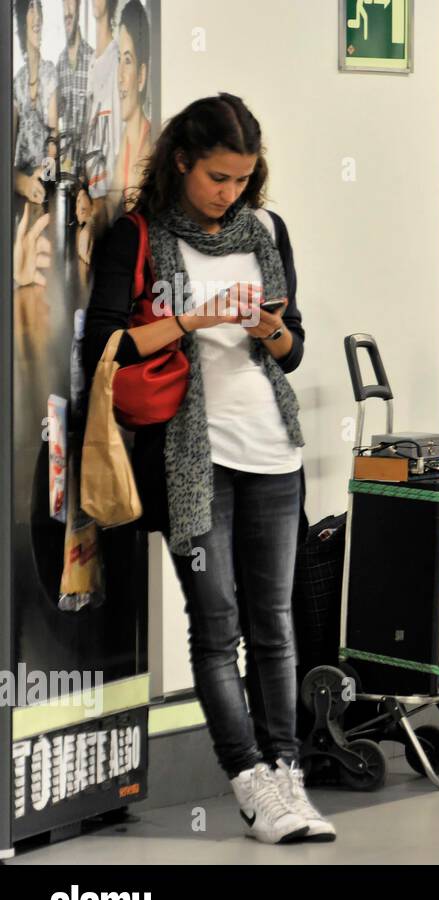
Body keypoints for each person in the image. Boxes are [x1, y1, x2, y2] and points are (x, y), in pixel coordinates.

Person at [82, 92, 335, 845]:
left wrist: (273, 329)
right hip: (190, 454)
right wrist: (192, 318)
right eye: (218, 177)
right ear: (183, 162)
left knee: (277, 623)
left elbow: (295, 351)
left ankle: (289, 773)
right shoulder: (139, 236)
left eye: (243, 179)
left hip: (272, 448)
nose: (231, 193)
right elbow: (107, 346)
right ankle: (250, 781)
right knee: (216, 623)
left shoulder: (265, 231)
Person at [12, 0, 59, 206]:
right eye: (31, 7)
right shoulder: (18, 82)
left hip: (42, 189)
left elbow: (54, 138)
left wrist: (45, 176)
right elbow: (8, 144)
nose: (37, 14)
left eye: (39, 7)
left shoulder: (49, 74)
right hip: (19, 187)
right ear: (22, 20)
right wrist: (21, 182)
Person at [82, 0, 120, 227]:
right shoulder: (92, 63)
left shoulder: (116, 57)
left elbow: (115, 134)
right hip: (91, 193)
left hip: (108, 199)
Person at [111, 0, 151, 212]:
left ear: (142, 76)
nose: (119, 76)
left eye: (127, 61)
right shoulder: (127, 139)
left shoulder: (150, 143)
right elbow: (109, 207)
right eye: (119, 60)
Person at [57, 0, 94, 179]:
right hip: (65, 174)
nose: (67, 10)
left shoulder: (93, 61)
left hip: (89, 176)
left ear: (79, 4)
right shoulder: (59, 65)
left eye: (71, 2)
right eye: (63, 3)